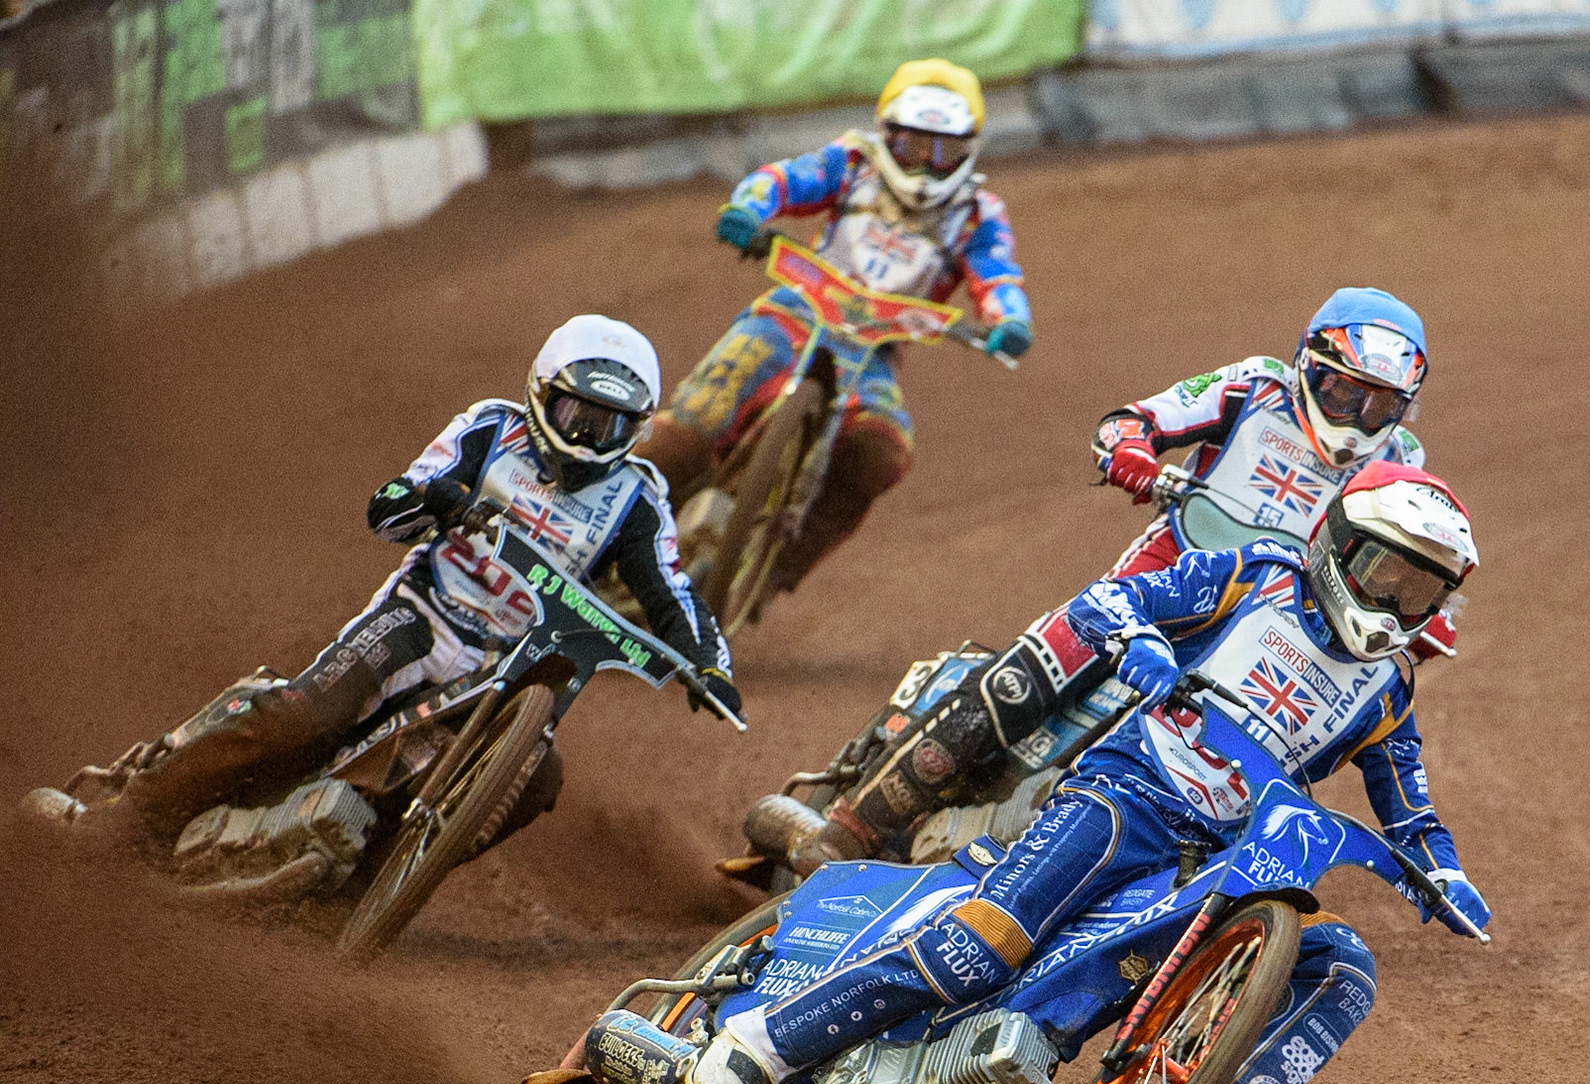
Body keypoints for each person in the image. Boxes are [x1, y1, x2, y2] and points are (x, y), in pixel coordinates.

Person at [677, 461, 1491, 1084]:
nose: (1395, 601)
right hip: (1126, 793)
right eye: (1387, 572)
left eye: (1420, 588)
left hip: (1217, 859)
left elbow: (1412, 813)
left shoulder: (1389, 688)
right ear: (1339, 550)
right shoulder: (1256, 575)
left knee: (1342, 965)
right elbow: (1113, 598)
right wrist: (1138, 640)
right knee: (984, 942)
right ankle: (762, 1044)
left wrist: (1447, 874)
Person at [794, 287, 1451, 869]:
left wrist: (1424, 612)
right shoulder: (1254, 388)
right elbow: (1132, 421)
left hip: (1255, 643)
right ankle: (852, 828)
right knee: (1028, 676)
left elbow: (1418, 550)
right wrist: (1132, 453)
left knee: (1249, 775)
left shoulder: (1401, 462)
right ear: (1311, 367)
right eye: (1343, 390)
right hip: (1147, 592)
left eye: (1380, 404)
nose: (1357, 416)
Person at [60, 315, 741, 874]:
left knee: (533, 781)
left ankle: (360, 884)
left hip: (510, 667)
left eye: (611, 425)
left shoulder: (638, 496)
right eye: (577, 414)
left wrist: (708, 663)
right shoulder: (489, 429)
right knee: (308, 715)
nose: (590, 437)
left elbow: (668, 591)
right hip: (424, 614)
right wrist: (440, 500)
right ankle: (130, 817)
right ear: (541, 392)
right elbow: (386, 506)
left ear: (640, 428)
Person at [642, 58, 1032, 596]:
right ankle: (608, 512)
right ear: (886, 135)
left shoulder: (977, 214)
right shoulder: (852, 163)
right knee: (697, 419)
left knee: (882, 453)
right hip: (794, 314)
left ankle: (775, 568)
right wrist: (748, 209)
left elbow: (997, 274)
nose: (924, 164)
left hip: (873, 352)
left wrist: (1009, 319)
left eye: (942, 150)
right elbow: (783, 180)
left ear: (969, 149)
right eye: (913, 145)